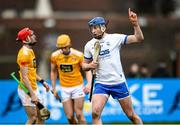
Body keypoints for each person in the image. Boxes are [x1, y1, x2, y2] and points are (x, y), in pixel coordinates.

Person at [82, 8, 144, 124]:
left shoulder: (115, 38)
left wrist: (135, 24)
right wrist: (90, 65)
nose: (93, 31)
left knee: (131, 115)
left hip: (118, 82)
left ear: (103, 27)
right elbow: (84, 66)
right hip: (101, 84)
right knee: (95, 113)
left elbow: (139, 38)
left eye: (95, 28)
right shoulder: (89, 45)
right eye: (91, 28)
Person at [51, 34, 92, 124]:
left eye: (65, 47)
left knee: (79, 114)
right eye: (60, 47)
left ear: (70, 44)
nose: (63, 49)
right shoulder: (54, 56)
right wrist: (53, 88)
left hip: (78, 87)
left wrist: (89, 84)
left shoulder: (78, 55)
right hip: (64, 88)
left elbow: (87, 70)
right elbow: (53, 72)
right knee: (69, 117)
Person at [16, 27, 50, 124]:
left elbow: (32, 72)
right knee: (33, 118)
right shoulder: (24, 54)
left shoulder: (30, 51)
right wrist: (32, 94)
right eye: (31, 35)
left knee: (41, 116)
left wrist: (42, 81)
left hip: (33, 87)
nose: (34, 36)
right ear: (26, 39)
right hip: (26, 90)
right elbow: (25, 76)